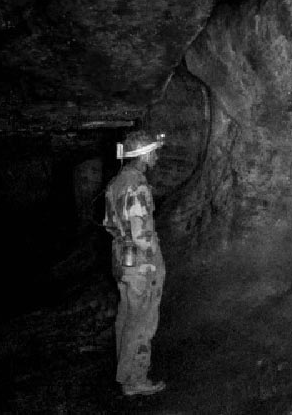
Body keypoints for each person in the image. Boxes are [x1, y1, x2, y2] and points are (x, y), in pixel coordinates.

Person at [103, 130, 167, 396]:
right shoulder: (137, 186)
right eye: (153, 151)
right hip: (140, 264)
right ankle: (135, 379)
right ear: (144, 155)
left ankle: (125, 373)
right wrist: (154, 262)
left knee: (127, 317)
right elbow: (142, 235)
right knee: (142, 321)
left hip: (121, 256)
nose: (156, 155)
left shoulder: (116, 183)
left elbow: (109, 224)